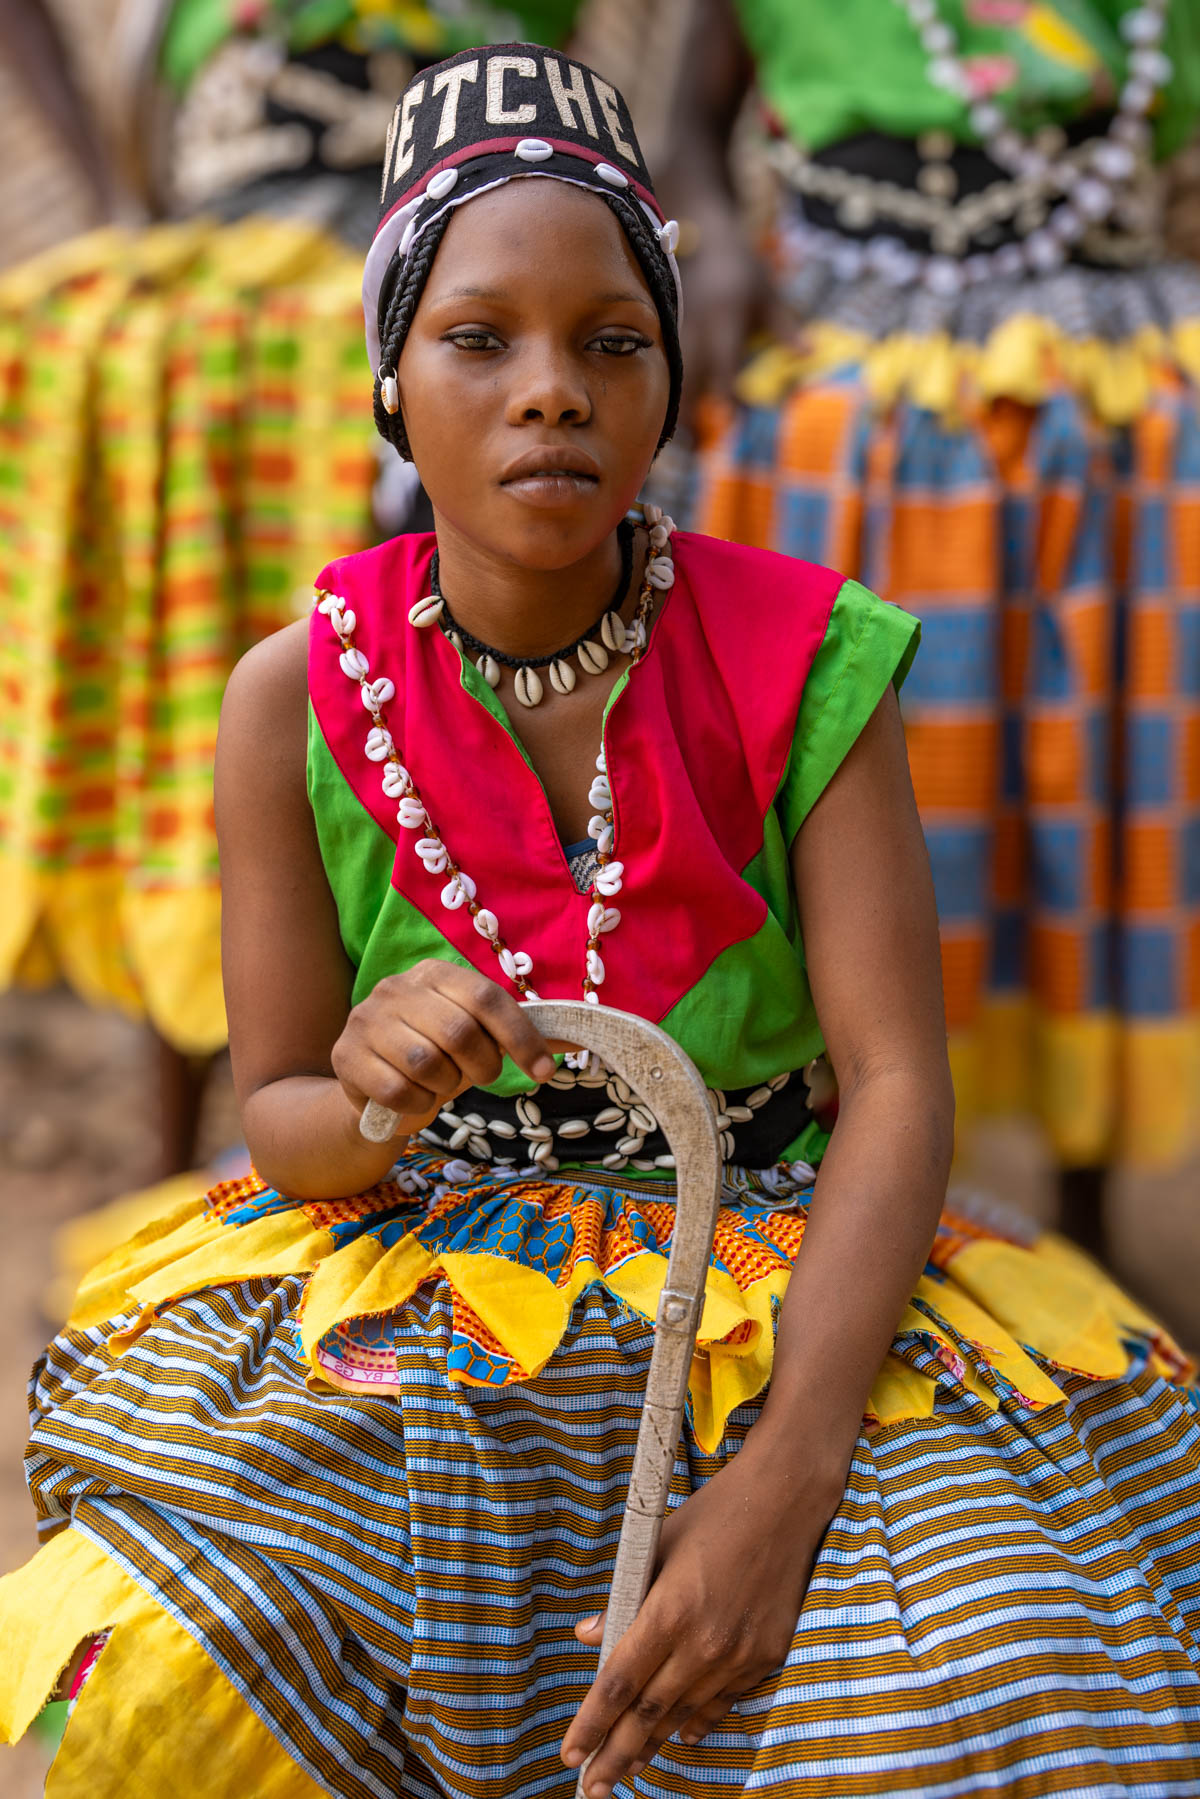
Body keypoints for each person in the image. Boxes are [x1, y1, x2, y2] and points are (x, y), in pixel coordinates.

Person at [3, 42, 1199, 1799]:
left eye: (610, 341)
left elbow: (896, 1090)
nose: (548, 389)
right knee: (164, 1684)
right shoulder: (296, 700)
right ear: (392, 387)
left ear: (672, 383)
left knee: (999, 1686)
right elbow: (284, 1118)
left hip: (794, 1257)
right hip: (414, 1261)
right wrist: (378, 1089)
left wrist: (784, 1482)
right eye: (478, 337)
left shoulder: (804, 657)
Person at [661, 0, 1200, 1219]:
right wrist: (717, 250)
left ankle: (1086, 1202)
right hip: (846, 363)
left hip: (1100, 379)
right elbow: (688, 123)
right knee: (834, 781)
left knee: (1086, 779)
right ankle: (822, 1168)